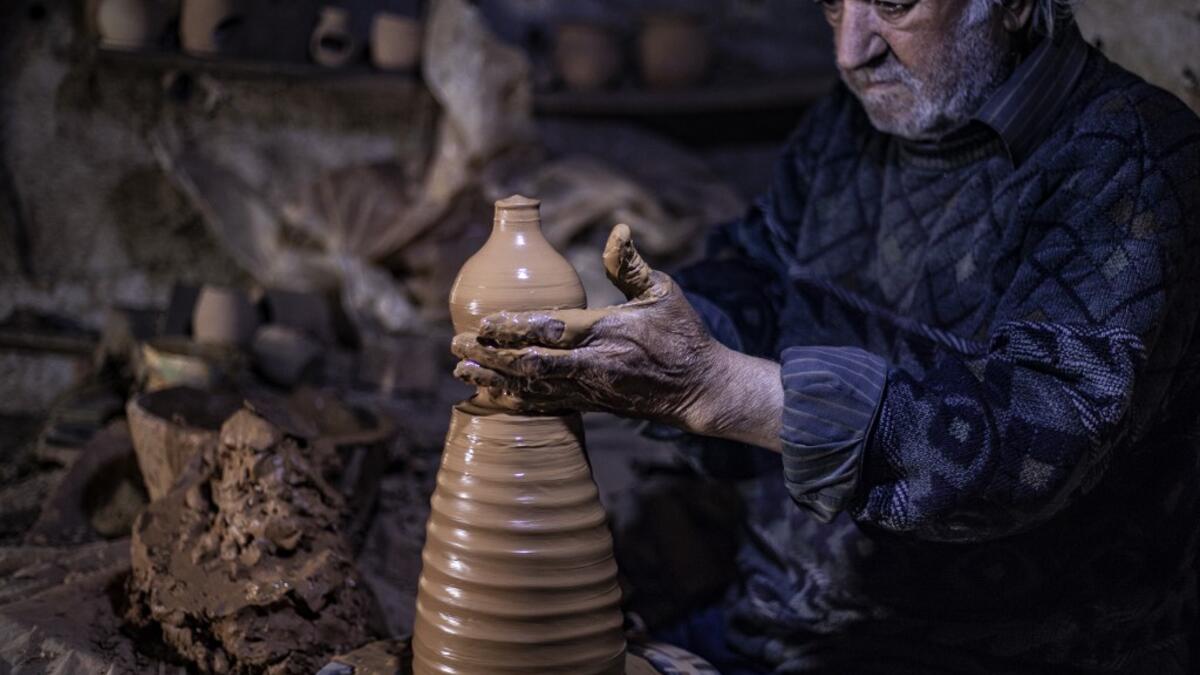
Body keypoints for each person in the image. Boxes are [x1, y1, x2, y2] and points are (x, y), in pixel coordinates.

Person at [451, 0, 1200, 671]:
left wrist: (716, 386)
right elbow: (759, 274)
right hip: (781, 628)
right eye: (832, 5)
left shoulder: (1131, 165)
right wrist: (639, 343)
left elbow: (1030, 447)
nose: (851, 52)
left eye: (894, 4)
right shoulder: (852, 124)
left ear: (1010, 5)